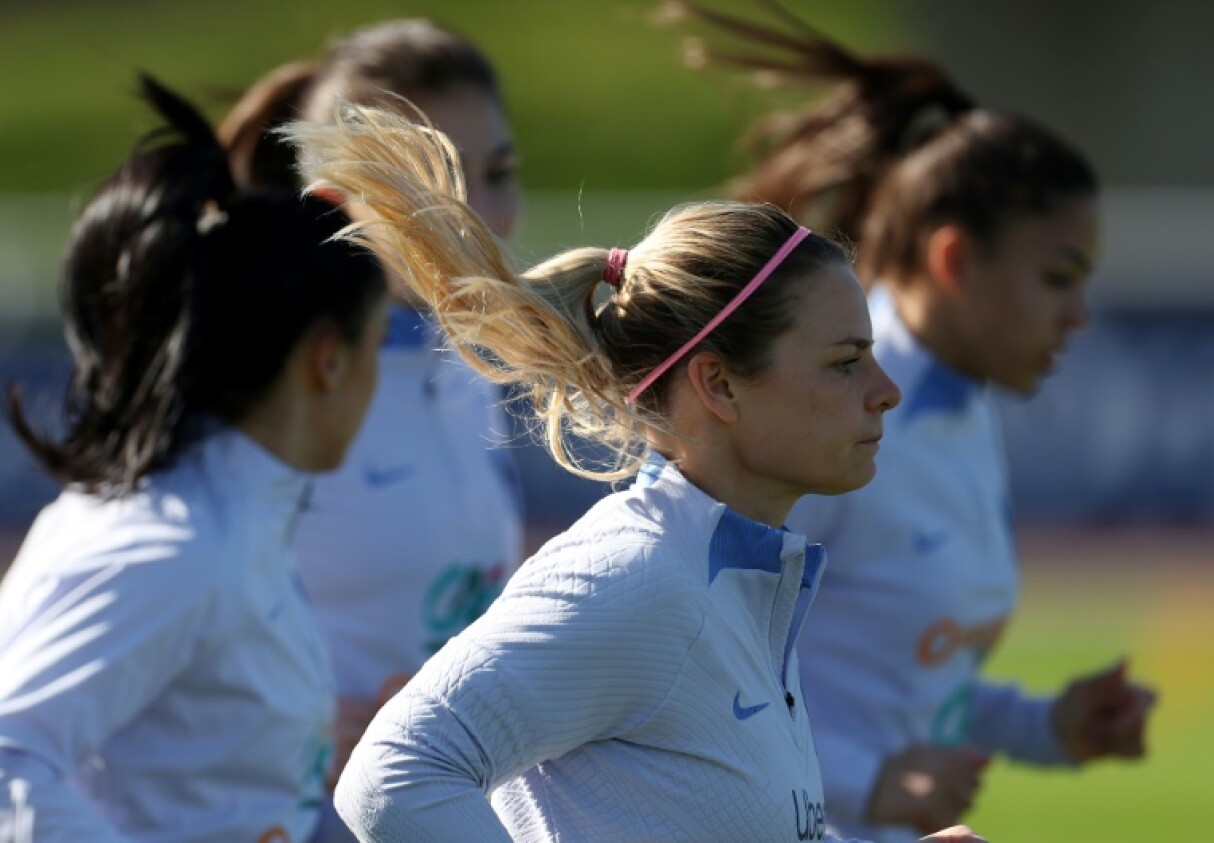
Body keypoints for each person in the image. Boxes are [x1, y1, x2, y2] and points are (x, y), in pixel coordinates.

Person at [281, 99, 990, 843]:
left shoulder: (733, 574)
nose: (887, 390)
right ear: (719, 385)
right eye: (845, 362)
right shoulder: (635, 575)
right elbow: (393, 773)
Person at [666, 4, 1158, 841]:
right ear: (954, 259)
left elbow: (901, 680)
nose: (1079, 313)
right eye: (1057, 276)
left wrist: (1049, 726)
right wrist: (867, 780)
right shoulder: (829, 405)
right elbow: (679, 656)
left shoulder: (956, 404)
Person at [0, 77, 387, 842]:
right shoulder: (175, 545)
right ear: (328, 362)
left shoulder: (223, 518)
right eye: (377, 347)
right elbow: (9, 759)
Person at [217, 21, 525, 811]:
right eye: (443, 185)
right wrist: (294, 724)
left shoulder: (467, 364)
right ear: (333, 207)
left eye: (499, 172)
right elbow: (142, 629)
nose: (488, 216)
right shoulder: (253, 400)